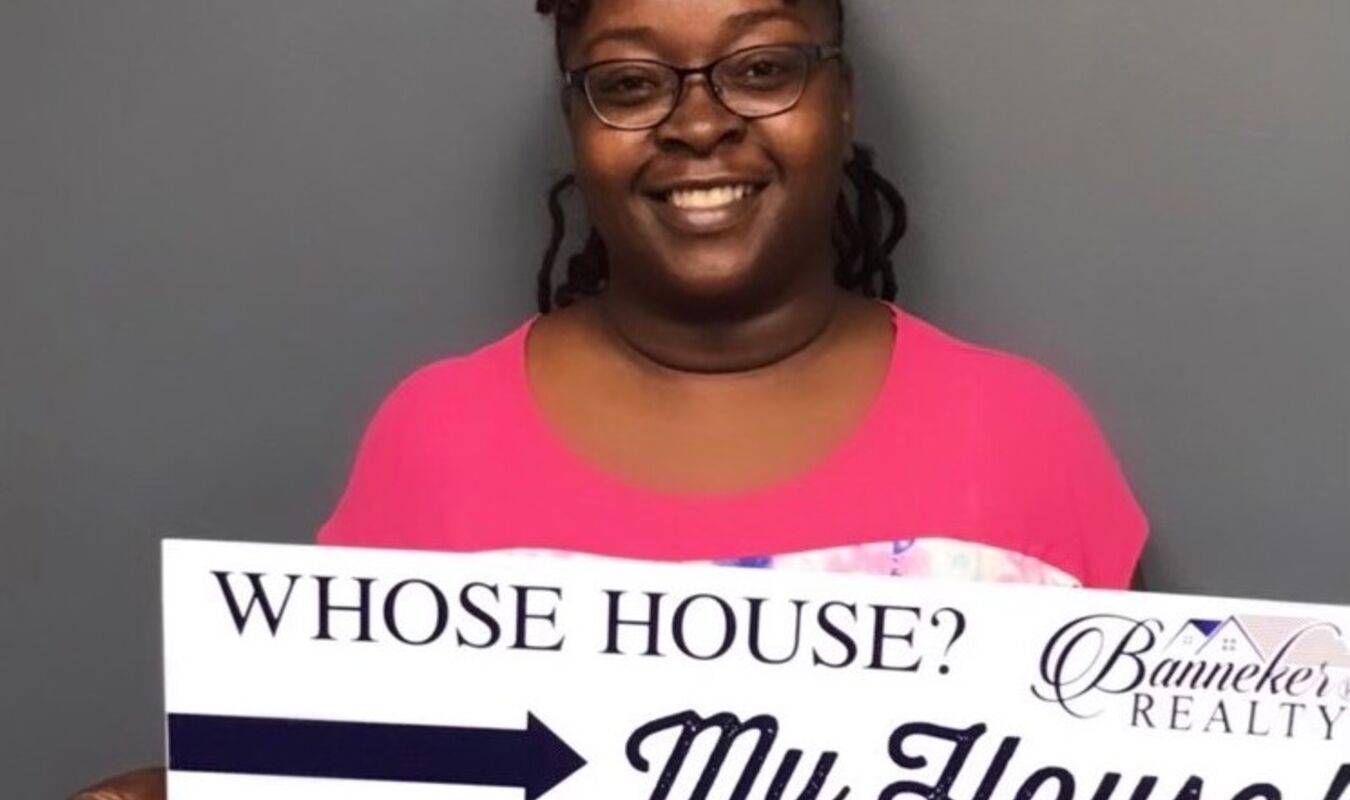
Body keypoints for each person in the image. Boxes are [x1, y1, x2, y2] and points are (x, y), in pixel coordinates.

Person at [71, 0, 1146, 796]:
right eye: (630, 82)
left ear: (843, 97)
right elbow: (358, 775)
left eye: (763, 65)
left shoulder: (1024, 436)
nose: (697, 123)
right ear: (577, 121)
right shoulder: (433, 440)